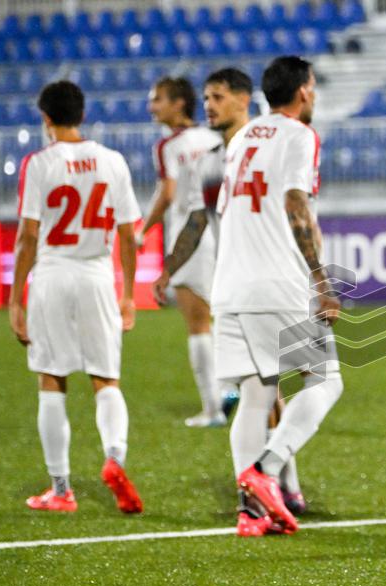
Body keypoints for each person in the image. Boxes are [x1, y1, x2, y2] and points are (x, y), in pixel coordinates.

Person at [157, 57, 342, 537]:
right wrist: (321, 278)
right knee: (326, 381)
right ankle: (266, 469)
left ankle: (250, 511)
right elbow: (296, 203)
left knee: (258, 394)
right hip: (278, 281)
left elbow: (212, 214)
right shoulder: (299, 136)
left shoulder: (240, 142)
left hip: (230, 287)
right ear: (303, 91)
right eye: (314, 87)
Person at [10, 80, 143, 514]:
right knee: (106, 380)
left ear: (45, 118)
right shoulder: (113, 161)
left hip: (52, 275)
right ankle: (115, 458)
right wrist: (127, 293)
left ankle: (61, 490)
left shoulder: (38, 163)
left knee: (52, 379)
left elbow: (28, 238)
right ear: (81, 115)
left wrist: (16, 299)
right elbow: (129, 235)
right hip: (97, 276)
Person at [141, 76, 225, 428]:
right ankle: (233, 393)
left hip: (189, 238)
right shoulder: (217, 137)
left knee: (197, 323)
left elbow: (169, 193)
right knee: (224, 318)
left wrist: (141, 230)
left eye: (157, 99)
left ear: (178, 103)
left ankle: (213, 408)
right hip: (221, 233)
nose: (151, 106)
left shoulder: (169, 146)